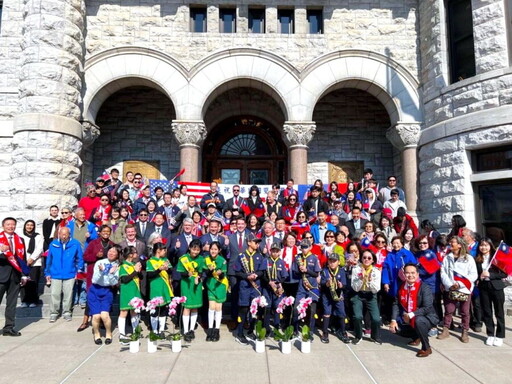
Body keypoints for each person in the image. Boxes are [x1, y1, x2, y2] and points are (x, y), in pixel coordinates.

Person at [389, 263, 439, 357]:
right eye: (407, 273)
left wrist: (411, 314)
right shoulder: (401, 287)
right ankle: (416, 337)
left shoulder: (424, 287)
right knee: (395, 328)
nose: (410, 275)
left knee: (418, 320)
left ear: (417, 274)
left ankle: (426, 348)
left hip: (427, 317)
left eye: (413, 273)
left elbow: (427, 307)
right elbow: (396, 303)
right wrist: (393, 320)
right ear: (404, 274)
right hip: (409, 317)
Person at [438, 236, 478, 343]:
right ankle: (446, 329)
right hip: (450, 288)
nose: (450, 244)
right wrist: (449, 284)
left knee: (465, 312)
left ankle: (465, 331)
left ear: (460, 245)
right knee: (448, 310)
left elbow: (473, 274)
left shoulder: (468, 258)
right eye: (450, 242)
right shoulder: (447, 257)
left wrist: (459, 284)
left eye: (453, 242)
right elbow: (443, 272)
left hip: (464, 288)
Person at [45, 227, 84, 323]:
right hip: (55, 273)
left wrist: (79, 271)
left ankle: (67, 312)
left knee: (68, 294)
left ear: (69, 234)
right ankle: (54, 313)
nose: (63, 236)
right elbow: (49, 259)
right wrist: (47, 272)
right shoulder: (53, 244)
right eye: (61, 234)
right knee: (55, 294)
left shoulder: (75, 243)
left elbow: (80, 258)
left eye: (65, 234)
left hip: (70, 273)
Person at [233, 233, 265, 345]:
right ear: (249, 242)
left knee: (254, 309)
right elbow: (237, 271)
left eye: (258, 242)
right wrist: (247, 276)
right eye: (255, 242)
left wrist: (256, 275)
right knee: (243, 309)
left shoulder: (259, 256)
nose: (257, 244)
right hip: (245, 286)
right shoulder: (241, 256)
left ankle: (251, 331)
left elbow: (262, 270)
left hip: (256, 286)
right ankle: (240, 333)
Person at [475, 238, 506, 347]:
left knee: (499, 312)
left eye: (486, 245)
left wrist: (490, 275)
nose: (483, 247)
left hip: (496, 287)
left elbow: (504, 274)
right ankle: (490, 334)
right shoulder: (477, 259)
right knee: (487, 312)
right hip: (484, 288)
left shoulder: (496, 257)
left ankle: (500, 335)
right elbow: (475, 274)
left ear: (490, 246)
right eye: (481, 245)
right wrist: (478, 277)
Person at [87, 245, 121, 345]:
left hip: (107, 291)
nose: (111, 253)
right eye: (110, 250)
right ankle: (96, 334)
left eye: (114, 252)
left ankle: (108, 333)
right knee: (96, 316)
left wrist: (110, 273)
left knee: (105, 316)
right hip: (95, 290)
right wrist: (102, 271)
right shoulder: (100, 262)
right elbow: (95, 279)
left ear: (117, 255)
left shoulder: (117, 266)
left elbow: (113, 282)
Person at [0, 217, 28, 336]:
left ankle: (9, 327)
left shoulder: (20, 239)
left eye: (13, 225)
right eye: (8, 224)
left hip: (15, 276)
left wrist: (24, 275)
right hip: (1, 275)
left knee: (11, 304)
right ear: (3, 226)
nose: (11, 227)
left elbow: (22, 259)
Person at [351, 249, 381, 345]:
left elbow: (376, 289)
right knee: (357, 316)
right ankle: (358, 336)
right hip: (358, 294)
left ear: (373, 260)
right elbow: (355, 288)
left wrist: (369, 281)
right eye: (364, 257)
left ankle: (374, 336)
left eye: (369, 258)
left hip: (370, 294)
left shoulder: (376, 271)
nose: (366, 260)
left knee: (376, 318)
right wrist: (361, 278)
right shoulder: (356, 269)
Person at [177, 239, 205, 342]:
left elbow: (201, 272)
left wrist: (199, 277)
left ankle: (192, 329)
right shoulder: (183, 259)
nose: (195, 252)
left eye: (197, 250)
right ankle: (185, 330)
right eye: (194, 249)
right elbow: (181, 273)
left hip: (196, 284)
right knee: (187, 307)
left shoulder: (201, 259)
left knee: (195, 307)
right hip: (186, 284)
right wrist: (187, 274)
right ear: (189, 248)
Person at [293, 238, 321, 338]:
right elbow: (295, 272)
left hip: (312, 286)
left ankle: (311, 331)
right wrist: (300, 270)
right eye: (302, 247)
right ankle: (295, 330)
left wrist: (306, 270)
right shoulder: (297, 257)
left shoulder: (314, 258)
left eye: (306, 247)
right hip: (301, 286)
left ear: (310, 247)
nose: (304, 249)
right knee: (296, 308)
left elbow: (316, 273)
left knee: (312, 310)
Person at [320, 253, 349, 344]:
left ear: (338, 262)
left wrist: (341, 286)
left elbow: (345, 285)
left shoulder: (341, 271)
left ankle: (343, 331)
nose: (332, 263)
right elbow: (322, 283)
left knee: (341, 313)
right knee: (327, 312)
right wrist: (326, 284)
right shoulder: (325, 271)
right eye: (330, 261)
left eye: (334, 261)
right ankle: (325, 332)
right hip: (327, 296)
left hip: (338, 295)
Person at [146, 242, 173, 336]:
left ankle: (161, 330)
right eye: (164, 250)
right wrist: (159, 269)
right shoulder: (150, 261)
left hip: (165, 287)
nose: (165, 252)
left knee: (163, 310)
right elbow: (149, 275)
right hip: (155, 288)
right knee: (155, 310)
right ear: (158, 250)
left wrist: (167, 268)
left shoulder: (165, 260)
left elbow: (171, 271)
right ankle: (154, 330)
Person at [117, 246, 143, 342]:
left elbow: (141, 277)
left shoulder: (134, 264)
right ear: (130, 255)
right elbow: (124, 279)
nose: (137, 254)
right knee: (124, 312)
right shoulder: (123, 266)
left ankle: (135, 331)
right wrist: (135, 271)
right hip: (127, 291)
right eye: (135, 252)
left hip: (135, 290)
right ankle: (122, 334)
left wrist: (138, 271)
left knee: (134, 311)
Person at [262, 242, 288, 334]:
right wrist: (268, 282)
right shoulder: (266, 261)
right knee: (267, 307)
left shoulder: (281, 262)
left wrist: (280, 284)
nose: (275, 253)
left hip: (277, 288)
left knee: (277, 308)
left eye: (277, 251)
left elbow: (284, 276)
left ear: (280, 252)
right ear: (270, 251)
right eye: (273, 251)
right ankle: (266, 328)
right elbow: (262, 274)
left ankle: (276, 328)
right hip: (267, 287)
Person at [204, 241, 228, 342]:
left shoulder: (222, 260)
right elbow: (207, 274)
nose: (213, 251)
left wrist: (220, 273)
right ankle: (210, 330)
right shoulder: (206, 259)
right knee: (211, 307)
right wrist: (210, 270)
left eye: (215, 249)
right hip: (211, 285)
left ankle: (216, 330)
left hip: (220, 285)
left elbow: (223, 275)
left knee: (218, 307)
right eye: (212, 249)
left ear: (219, 250)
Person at [20, 220, 44, 308]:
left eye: (31, 225)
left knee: (33, 282)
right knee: (23, 281)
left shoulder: (38, 236)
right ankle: (24, 300)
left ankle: (33, 300)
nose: (29, 227)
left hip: (35, 262)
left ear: (34, 227)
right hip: (23, 262)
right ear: (25, 226)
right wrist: (24, 260)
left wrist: (32, 258)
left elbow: (40, 248)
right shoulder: (20, 236)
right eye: (28, 225)